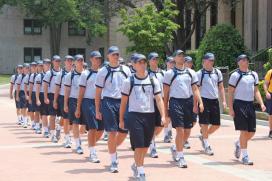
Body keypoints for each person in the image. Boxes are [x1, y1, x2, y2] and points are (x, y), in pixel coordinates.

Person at [120, 53, 166, 180]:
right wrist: (121, 119)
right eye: (139, 62)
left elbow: (159, 99)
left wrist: (163, 115)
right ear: (133, 65)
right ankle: (141, 171)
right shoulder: (128, 81)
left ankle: (136, 165)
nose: (142, 64)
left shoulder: (153, 81)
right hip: (134, 116)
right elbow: (123, 102)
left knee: (146, 146)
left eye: (143, 62)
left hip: (149, 116)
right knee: (139, 146)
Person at [163, 49, 204, 168]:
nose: (181, 57)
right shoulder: (169, 74)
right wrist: (165, 111)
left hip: (188, 102)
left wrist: (200, 102)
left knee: (187, 130)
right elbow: (166, 94)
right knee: (180, 130)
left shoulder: (191, 72)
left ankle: (176, 147)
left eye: (182, 55)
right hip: (175, 102)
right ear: (174, 59)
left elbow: (195, 89)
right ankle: (180, 156)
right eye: (179, 56)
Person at [95, 46, 131, 173]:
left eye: (117, 54)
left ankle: (112, 149)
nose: (116, 56)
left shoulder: (126, 70)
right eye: (113, 54)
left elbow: (130, 88)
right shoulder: (103, 71)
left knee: (124, 131)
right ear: (108, 56)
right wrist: (97, 110)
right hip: (108, 102)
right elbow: (98, 92)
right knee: (112, 132)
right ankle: (113, 160)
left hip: (123, 102)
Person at [229, 54, 266, 165]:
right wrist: (231, 108)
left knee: (252, 132)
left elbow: (256, 91)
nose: (245, 61)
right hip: (239, 104)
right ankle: (245, 156)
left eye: (246, 60)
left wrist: (262, 103)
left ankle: (239, 144)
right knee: (244, 131)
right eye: (243, 60)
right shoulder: (235, 75)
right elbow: (230, 93)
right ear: (238, 62)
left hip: (250, 104)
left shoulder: (253, 74)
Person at [75, 51, 104, 163]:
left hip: (101, 102)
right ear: (91, 59)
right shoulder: (85, 74)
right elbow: (81, 92)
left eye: (99, 58)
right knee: (93, 128)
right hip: (88, 102)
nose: (98, 60)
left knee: (101, 129)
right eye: (96, 58)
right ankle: (92, 152)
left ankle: (91, 144)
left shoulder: (103, 72)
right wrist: (78, 108)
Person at [196, 53, 226, 155]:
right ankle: (206, 144)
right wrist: (198, 103)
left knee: (216, 124)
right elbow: (196, 89)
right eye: (209, 60)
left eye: (212, 60)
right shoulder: (199, 73)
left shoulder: (217, 72)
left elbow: (221, 87)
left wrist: (224, 101)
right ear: (204, 61)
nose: (211, 62)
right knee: (204, 123)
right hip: (203, 100)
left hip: (214, 100)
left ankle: (204, 136)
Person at [64, 54, 85, 154]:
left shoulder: (86, 74)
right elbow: (67, 91)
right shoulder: (70, 75)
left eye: (82, 60)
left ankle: (78, 138)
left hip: (85, 101)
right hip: (73, 100)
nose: (80, 62)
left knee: (84, 125)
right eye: (78, 60)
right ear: (75, 63)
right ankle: (78, 144)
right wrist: (65, 104)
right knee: (75, 123)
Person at [147, 52, 165, 158]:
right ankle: (152, 146)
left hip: (161, 101)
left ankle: (150, 138)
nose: (155, 61)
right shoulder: (146, 74)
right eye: (153, 59)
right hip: (150, 102)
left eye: (156, 59)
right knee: (152, 125)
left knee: (161, 125)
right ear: (149, 61)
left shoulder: (163, 73)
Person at [54, 55, 74, 148]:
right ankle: (67, 139)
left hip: (73, 98)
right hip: (62, 98)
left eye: (71, 61)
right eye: (68, 61)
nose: (70, 62)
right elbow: (57, 88)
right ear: (65, 62)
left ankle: (59, 127)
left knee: (71, 120)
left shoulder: (76, 73)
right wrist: (55, 100)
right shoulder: (60, 74)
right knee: (66, 118)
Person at [43, 55, 61, 143]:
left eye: (59, 61)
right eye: (56, 61)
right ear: (53, 62)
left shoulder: (63, 72)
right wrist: (46, 97)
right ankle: (53, 135)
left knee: (62, 117)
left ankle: (58, 128)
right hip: (51, 95)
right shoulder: (49, 73)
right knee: (53, 116)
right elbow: (45, 85)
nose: (57, 62)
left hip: (61, 96)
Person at [183, 56, 197, 149]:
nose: (190, 64)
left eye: (191, 62)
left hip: (192, 99)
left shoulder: (193, 73)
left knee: (194, 121)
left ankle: (183, 138)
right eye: (188, 62)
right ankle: (184, 140)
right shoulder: (180, 73)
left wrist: (198, 102)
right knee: (184, 123)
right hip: (183, 100)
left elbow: (196, 89)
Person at [35, 59, 51, 138]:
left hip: (51, 95)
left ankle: (52, 128)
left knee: (52, 114)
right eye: (45, 64)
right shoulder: (39, 76)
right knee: (44, 114)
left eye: (49, 64)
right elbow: (37, 88)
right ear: (43, 66)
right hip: (42, 95)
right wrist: (37, 99)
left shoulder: (53, 74)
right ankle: (46, 131)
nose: (47, 65)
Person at [29, 61, 43, 134]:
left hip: (43, 94)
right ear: (37, 67)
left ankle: (41, 124)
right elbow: (31, 87)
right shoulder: (33, 76)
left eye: (42, 66)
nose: (41, 67)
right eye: (39, 66)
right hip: (35, 94)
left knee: (43, 112)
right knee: (37, 111)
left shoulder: (45, 74)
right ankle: (37, 126)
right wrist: (30, 97)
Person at [16, 63, 30, 128]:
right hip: (22, 93)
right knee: (24, 107)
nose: (27, 69)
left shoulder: (31, 75)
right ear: (23, 69)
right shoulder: (20, 76)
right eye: (26, 68)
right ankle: (24, 122)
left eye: (28, 68)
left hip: (30, 92)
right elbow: (18, 87)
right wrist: (17, 96)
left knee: (29, 108)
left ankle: (27, 119)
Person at [25, 62, 38, 129]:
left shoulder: (39, 74)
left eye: (35, 66)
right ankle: (33, 123)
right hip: (31, 93)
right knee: (31, 110)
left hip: (38, 93)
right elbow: (25, 86)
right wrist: (27, 95)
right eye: (32, 66)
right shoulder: (28, 76)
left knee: (37, 110)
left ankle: (37, 123)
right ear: (30, 67)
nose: (33, 67)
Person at [263, 67, 272, 138]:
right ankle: (271, 131)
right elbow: (265, 83)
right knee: (271, 114)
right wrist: (266, 92)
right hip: (271, 94)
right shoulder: (270, 72)